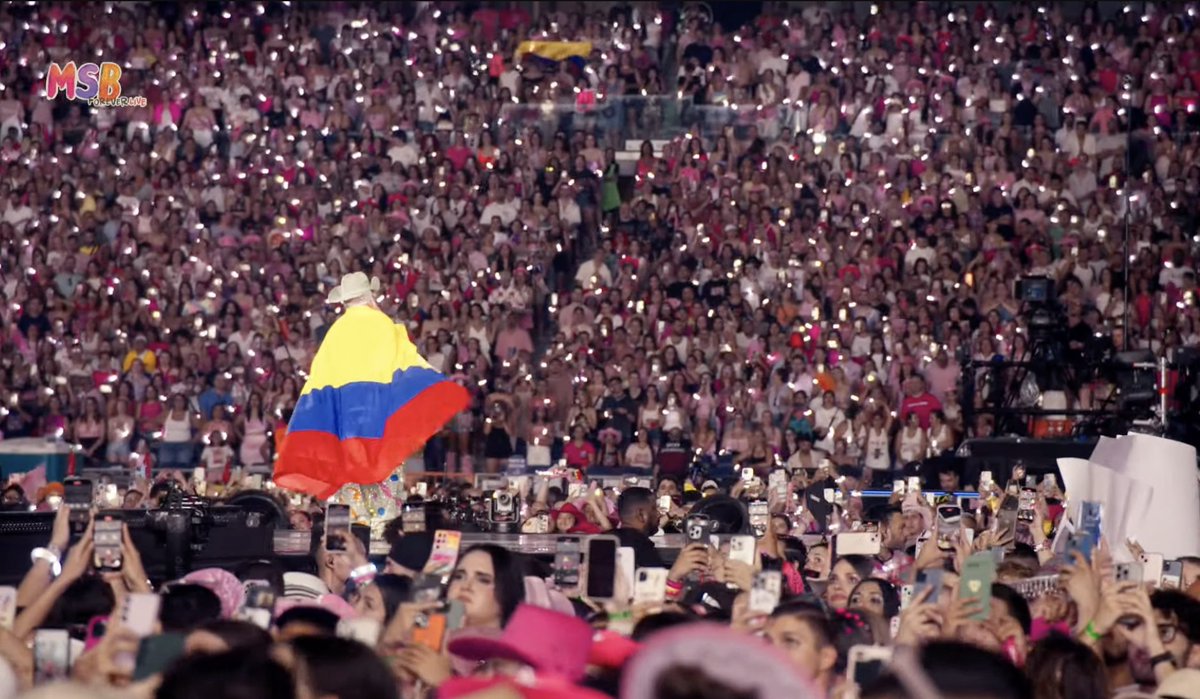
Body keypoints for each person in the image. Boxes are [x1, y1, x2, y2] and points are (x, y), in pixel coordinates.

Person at [275, 272, 469, 498]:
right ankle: (381, 523)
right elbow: (408, 361)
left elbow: (319, 376)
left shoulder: (336, 331)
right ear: (369, 296)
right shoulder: (384, 324)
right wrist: (437, 386)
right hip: (378, 411)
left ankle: (352, 522)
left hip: (346, 418)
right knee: (381, 477)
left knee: (351, 480)